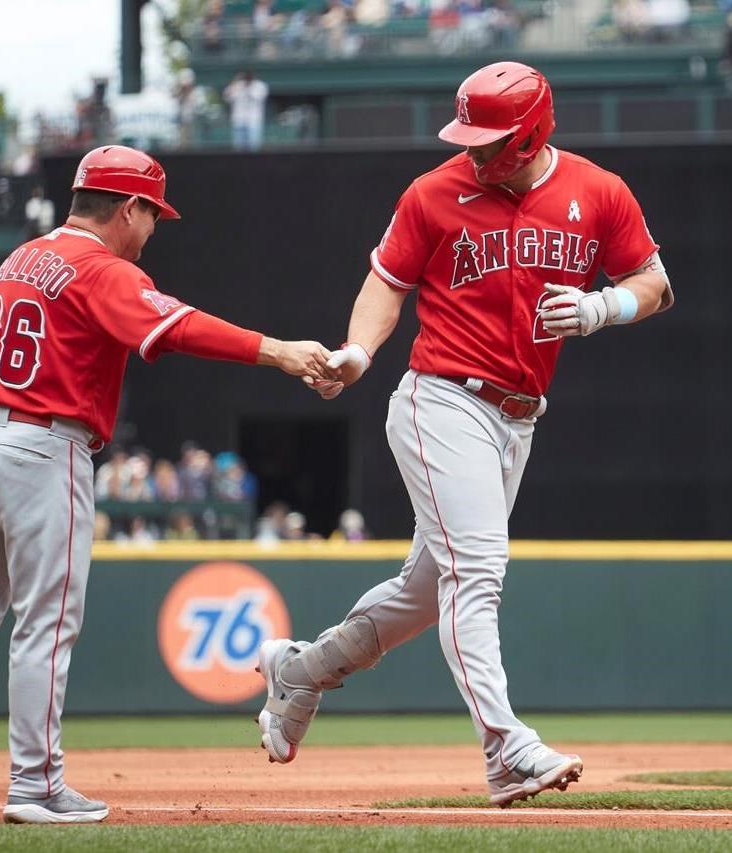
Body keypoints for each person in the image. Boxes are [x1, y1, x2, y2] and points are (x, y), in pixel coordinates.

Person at [255, 62, 673, 807]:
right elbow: (387, 280)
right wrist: (357, 352)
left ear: (535, 131)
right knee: (477, 572)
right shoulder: (434, 191)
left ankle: (299, 669)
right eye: (469, 138)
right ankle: (504, 746)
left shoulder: (596, 189)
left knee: (423, 594)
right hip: (440, 399)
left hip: (517, 419)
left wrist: (599, 309)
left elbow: (654, 282)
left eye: (492, 141)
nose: (476, 154)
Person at [0, 145, 335, 824]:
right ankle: (35, 784)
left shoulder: (23, 256)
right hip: (42, 443)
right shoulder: (100, 267)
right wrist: (278, 350)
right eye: (152, 214)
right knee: (47, 620)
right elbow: (177, 326)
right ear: (128, 208)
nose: (154, 229)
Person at [224, 71, 269, 151]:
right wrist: (234, 82)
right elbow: (227, 97)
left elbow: (257, 98)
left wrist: (248, 87)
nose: (247, 80)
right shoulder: (237, 85)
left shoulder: (259, 85)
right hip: (238, 120)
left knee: (254, 147)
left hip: (253, 121)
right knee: (238, 148)